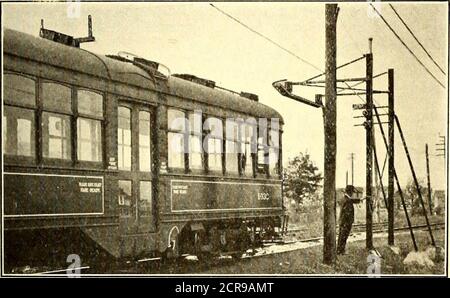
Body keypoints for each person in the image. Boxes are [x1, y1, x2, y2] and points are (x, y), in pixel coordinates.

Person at [337, 185, 363, 255]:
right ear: (350, 192)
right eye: (352, 192)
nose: (352, 194)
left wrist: (362, 199)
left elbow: (352, 200)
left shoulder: (344, 199)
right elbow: (347, 213)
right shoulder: (348, 201)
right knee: (343, 237)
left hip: (343, 221)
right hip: (346, 222)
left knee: (341, 236)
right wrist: (349, 222)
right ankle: (341, 251)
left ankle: (340, 250)